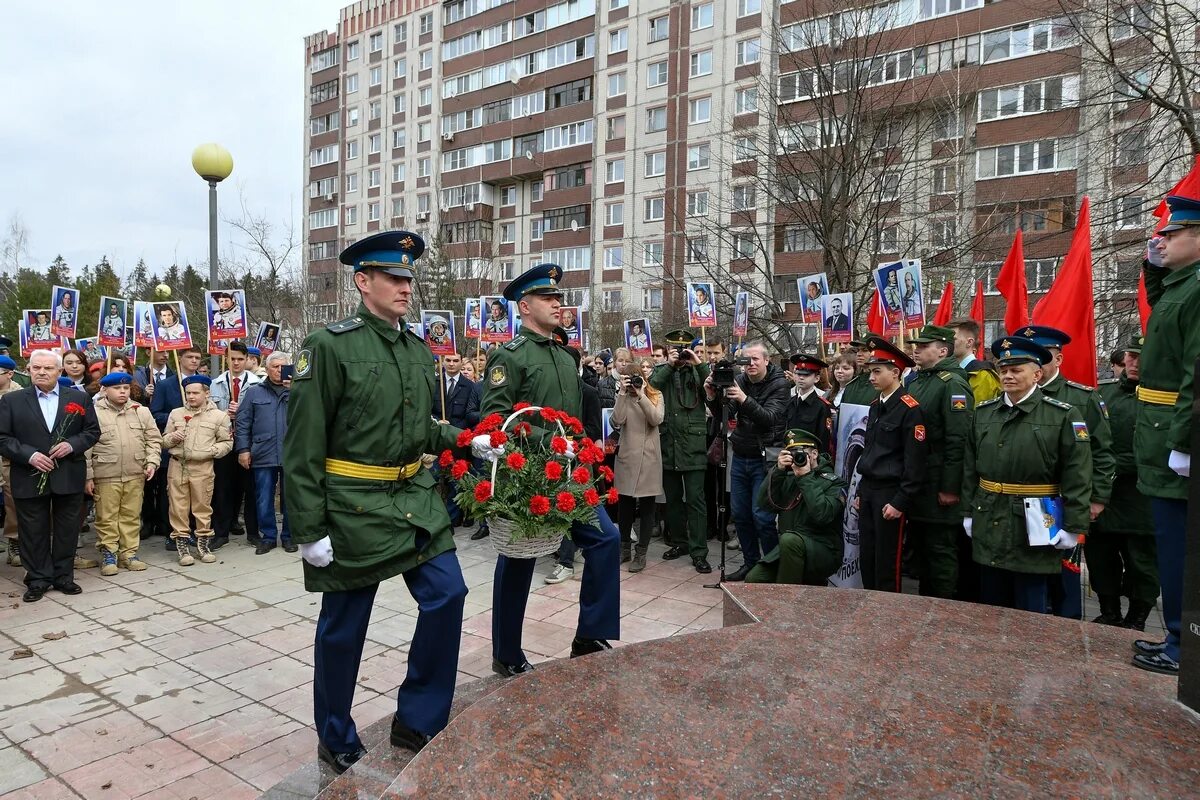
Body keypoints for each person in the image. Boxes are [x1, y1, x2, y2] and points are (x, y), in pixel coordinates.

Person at [284, 230, 474, 771]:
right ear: (363, 282)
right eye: (393, 277)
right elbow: (303, 445)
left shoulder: (417, 348)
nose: (405, 287)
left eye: (409, 278)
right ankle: (335, 731)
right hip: (354, 504)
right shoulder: (330, 345)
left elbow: (416, 427)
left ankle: (418, 716)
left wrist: (462, 438)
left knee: (448, 594)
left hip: (414, 496)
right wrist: (308, 528)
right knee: (346, 626)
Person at [480, 262, 621, 674]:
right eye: (548, 298)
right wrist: (551, 443)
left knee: (606, 538)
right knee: (520, 559)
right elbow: (495, 421)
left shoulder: (565, 354)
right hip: (528, 477)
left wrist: (581, 446)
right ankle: (506, 653)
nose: (559, 303)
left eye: (559, 297)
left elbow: (574, 412)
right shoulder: (509, 356)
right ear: (525, 306)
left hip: (568, 477)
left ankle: (589, 635)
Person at [962, 336, 1091, 613]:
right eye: (1004, 370)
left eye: (1016, 370)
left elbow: (1077, 474)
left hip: (1035, 520)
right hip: (990, 514)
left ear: (1036, 373)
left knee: (1030, 601)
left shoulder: (1062, 415)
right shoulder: (984, 413)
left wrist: (1073, 525)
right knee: (991, 601)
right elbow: (970, 467)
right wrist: (968, 511)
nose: (1008, 376)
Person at [1131, 203, 1200, 676]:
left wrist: (1186, 441)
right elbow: (1163, 309)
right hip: (1161, 435)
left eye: (1173, 235)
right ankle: (1176, 634)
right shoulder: (1184, 285)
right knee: (1170, 541)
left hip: (1175, 435)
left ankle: (1184, 642)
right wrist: (1153, 270)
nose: (1163, 241)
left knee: (1180, 545)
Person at [1018, 324, 1115, 620]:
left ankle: (1067, 632)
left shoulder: (1082, 398)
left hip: (1062, 500)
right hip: (1021, 499)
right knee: (1026, 577)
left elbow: (1102, 452)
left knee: (1064, 576)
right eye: (1029, 357)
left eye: (1043, 356)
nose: (1037, 363)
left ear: (1058, 359)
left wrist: (1096, 499)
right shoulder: (1010, 396)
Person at [0, 350, 101, 602]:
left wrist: (72, 445)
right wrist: (29, 455)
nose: (42, 372)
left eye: (48, 368)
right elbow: (2, 437)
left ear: (59, 371)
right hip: (28, 474)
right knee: (33, 530)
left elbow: (92, 431)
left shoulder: (79, 398)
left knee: (67, 529)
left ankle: (63, 576)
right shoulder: (12, 401)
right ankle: (37, 578)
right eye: (36, 368)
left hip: (68, 474)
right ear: (29, 370)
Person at [704, 341, 790, 581]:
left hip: (766, 458)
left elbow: (770, 419)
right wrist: (712, 397)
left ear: (766, 360)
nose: (750, 364)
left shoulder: (780, 383)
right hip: (741, 455)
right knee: (740, 514)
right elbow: (726, 415)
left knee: (762, 517)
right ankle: (750, 564)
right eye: (746, 360)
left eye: (755, 359)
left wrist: (743, 399)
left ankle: (772, 567)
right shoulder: (739, 380)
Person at [1089, 337, 1158, 630]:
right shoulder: (1103, 393)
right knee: (1100, 556)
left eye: (1141, 357)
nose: (1134, 362)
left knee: (1142, 562)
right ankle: (1109, 611)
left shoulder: (1168, 397)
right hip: (1104, 495)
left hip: (1141, 496)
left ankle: (1138, 617)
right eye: (1130, 356)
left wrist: (1118, 465)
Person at [904, 325, 974, 600]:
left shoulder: (952, 383)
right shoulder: (919, 381)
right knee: (922, 549)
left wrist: (950, 487)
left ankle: (943, 607)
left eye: (924, 346)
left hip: (938, 483)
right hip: (918, 480)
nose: (916, 350)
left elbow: (958, 441)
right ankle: (926, 602)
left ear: (943, 350)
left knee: (940, 551)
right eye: (916, 345)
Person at [855, 336, 927, 593]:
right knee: (868, 555)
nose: (871, 377)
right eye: (870, 372)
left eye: (877, 371)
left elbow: (914, 461)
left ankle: (886, 612)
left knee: (887, 560)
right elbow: (871, 451)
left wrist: (900, 501)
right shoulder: (876, 406)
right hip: (870, 489)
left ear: (895, 372)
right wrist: (861, 492)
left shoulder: (910, 409)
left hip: (891, 492)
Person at [746, 429, 846, 585]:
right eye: (791, 453)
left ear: (814, 454)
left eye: (801, 453)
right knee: (754, 580)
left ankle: (786, 604)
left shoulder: (834, 482)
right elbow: (764, 504)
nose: (796, 457)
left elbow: (823, 514)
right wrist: (777, 471)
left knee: (789, 540)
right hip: (790, 549)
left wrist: (806, 477)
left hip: (823, 551)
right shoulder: (789, 478)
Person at [86, 372, 161, 575]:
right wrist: (88, 475)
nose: (122, 392)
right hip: (106, 473)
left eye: (126, 388)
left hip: (135, 472)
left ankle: (128, 553)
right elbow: (86, 448)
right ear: (105, 390)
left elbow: (154, 440)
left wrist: (152, 461)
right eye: (117, 388)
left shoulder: (141, 411)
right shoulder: (94, 412)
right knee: (107, 517)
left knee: (131, 515)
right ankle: (109, 552)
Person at [653, 329, 712, 573]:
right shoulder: (662, 371)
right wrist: (670, 364)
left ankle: (699, 551)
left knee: (696, 501)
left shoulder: (699, 372)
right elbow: (652, 387)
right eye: (676, 349)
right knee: (673, 500)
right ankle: (680, 543)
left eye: (684, 349)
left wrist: (697, 363)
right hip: (668, 444)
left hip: (693, 445)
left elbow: (714, 390)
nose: (681, 353)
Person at [163, 374, 231, 566]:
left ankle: (203, 543)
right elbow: (164, 439)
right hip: (178, 465)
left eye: (195, 393)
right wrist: (172, 438)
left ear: (207, 393)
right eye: (187, 393)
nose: (191, 397)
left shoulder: (219, 416)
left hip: (203, 466)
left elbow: (227, 442)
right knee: (178, 507)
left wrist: (212, 451)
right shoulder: (176, 414)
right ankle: (182, 547)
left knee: (202, 506)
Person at [236, 351, 295, 555]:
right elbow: (243, 423)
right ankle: (268, 536)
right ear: (266, 369)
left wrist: (296, 390)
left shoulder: (299, 391)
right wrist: (243, 449)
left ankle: (289, 536)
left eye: (283, 367)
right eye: (274, 367)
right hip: (263, 452)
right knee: (263, 497)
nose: (279, 371)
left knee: (292, 497)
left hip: (292, 452)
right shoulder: (254, 392)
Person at [613, 356, 665, 572]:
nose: (631, 383)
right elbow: (617, 420)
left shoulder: (656, 395)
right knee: (624, 507)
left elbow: (656, 419)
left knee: (647, 508)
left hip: (648, 460)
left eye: (634, 379)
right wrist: (622, 395)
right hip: (626, 457)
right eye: (627, 379)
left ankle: (641, 553)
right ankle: (624, 548)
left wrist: (642, 394)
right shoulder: (622, 396)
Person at [211, 341, 263, 550]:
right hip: (223, 442)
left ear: (247, 360)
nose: (236, 363)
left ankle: (253, 532)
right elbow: (209, 413)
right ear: (226, 359)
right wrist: (224, 414)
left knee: (250, 488)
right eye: (232, 359)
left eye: (240, 359)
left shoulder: (256, 383)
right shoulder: (216, 383)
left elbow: (261, 413)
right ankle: (221, 532)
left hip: (247, 443)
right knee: (222, 488)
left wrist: (241, 411)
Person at [150, 346, 203, 550]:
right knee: (171, 495)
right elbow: (155, 414)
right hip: (174, 449)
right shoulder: (165, 385)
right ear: (179, 358)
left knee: (196, 494)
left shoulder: (205, 383)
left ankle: (191, 530)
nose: (194, 361)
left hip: (198, 449)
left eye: (198, 357)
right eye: (190, 357)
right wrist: (176, 416)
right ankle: (171, 533)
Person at [433, 351, 481, 528]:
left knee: (457, 480)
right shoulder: (434, 383)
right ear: (443, 361)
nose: (451, 364)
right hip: (437, 438)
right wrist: (437, 421)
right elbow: (427, 409)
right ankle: (437, 515)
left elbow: (470, 414)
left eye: (455, 360)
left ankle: (452, 518)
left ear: (462, 362)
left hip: (459, 440)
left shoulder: (469, 386)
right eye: (448, 360)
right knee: (435, 477)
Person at [0, 355, 26, 566]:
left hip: (9, 458)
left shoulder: (22, 396)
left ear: (9, 374)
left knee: (14, 503)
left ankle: (15, 541)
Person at [782, 354, 833, 456]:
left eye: (806, 375)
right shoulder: (790, 402)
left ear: (817, 378)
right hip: (790, 454)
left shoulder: (822, 406)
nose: (801, 378)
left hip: (811, 458)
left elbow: (824, 439)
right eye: (798, 374)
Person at [948, 318, 1001, 405]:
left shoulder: (981, 374)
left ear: (969, 342)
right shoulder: (951, 370)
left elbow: (980, 413)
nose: (947, 343)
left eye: (953, 339)